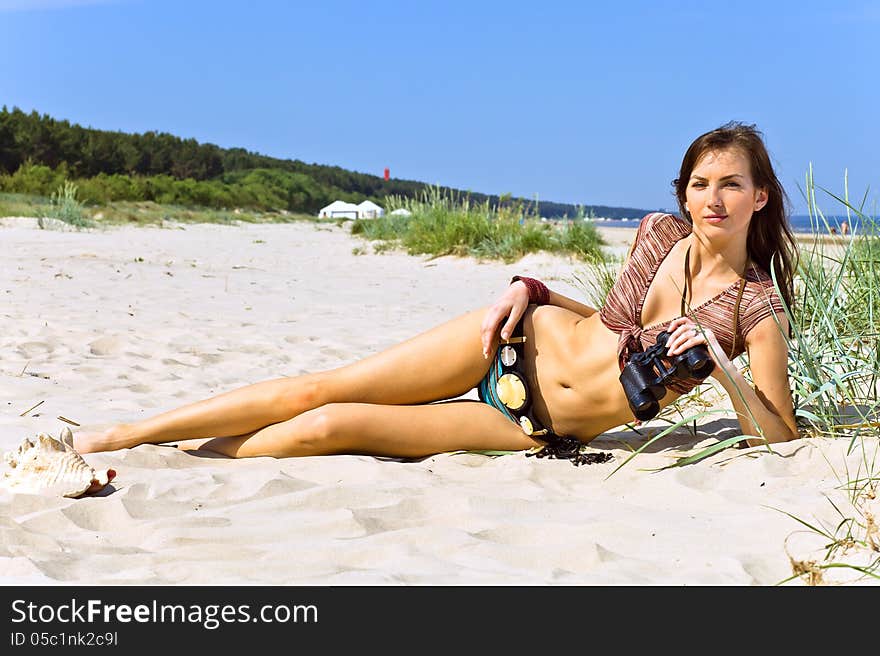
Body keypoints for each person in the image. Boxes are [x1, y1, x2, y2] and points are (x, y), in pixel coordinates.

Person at [75, 121, 801, 461]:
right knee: (324, 389)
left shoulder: (754, 308)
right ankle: (123, 436)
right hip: (510, 342)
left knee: (334, 428)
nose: (712, 198)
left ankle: (192, 456)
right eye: (700, 183)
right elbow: (607, 323)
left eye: (730, 184)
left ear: (759, 197)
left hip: (534, 428)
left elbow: (778, 434)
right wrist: (533, 287)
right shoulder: (655, 232)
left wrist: (719, 360)